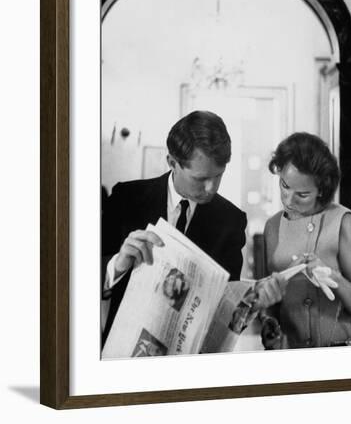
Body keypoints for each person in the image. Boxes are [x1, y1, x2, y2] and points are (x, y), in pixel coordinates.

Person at [101, 110, 247, 342]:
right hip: (122, 350)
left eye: (218, 176)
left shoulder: (231, 220)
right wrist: (116, 267)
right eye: (200, 179)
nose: (211, 188)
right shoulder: (125, 198)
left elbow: (227, 303)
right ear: (172, 162)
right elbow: (79, 279)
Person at [255, 132, 351, 349]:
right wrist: (269, 324)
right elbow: (270, 306)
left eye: (302, 194)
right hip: (292, 355)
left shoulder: (342, 221)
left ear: (321, 190)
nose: (288, 200)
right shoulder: (273, 226)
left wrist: (333, 277)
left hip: (342, 352)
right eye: (284, 185)